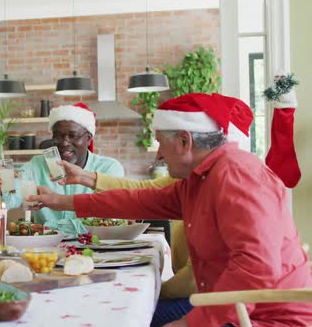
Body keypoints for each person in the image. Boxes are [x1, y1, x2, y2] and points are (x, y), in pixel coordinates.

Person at [29, 93, 312, 326]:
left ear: (185, 141)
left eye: (161, 144)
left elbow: (255, 269)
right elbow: (138, 201)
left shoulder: (237, 175)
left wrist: (192, 323)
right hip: (239, 310)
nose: (159, 155)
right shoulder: (200, 179)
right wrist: (62, 201)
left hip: (267, 318)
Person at [0, 102, 124, 235]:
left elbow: (105, 221)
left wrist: (46, 227)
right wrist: (1, 185)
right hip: (45, 250)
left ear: (88, 139)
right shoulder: (38, 165)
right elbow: (9, 200)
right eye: (58, 136)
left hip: (96, 248)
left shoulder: (109, 168)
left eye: (73, 136)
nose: (64, 142)